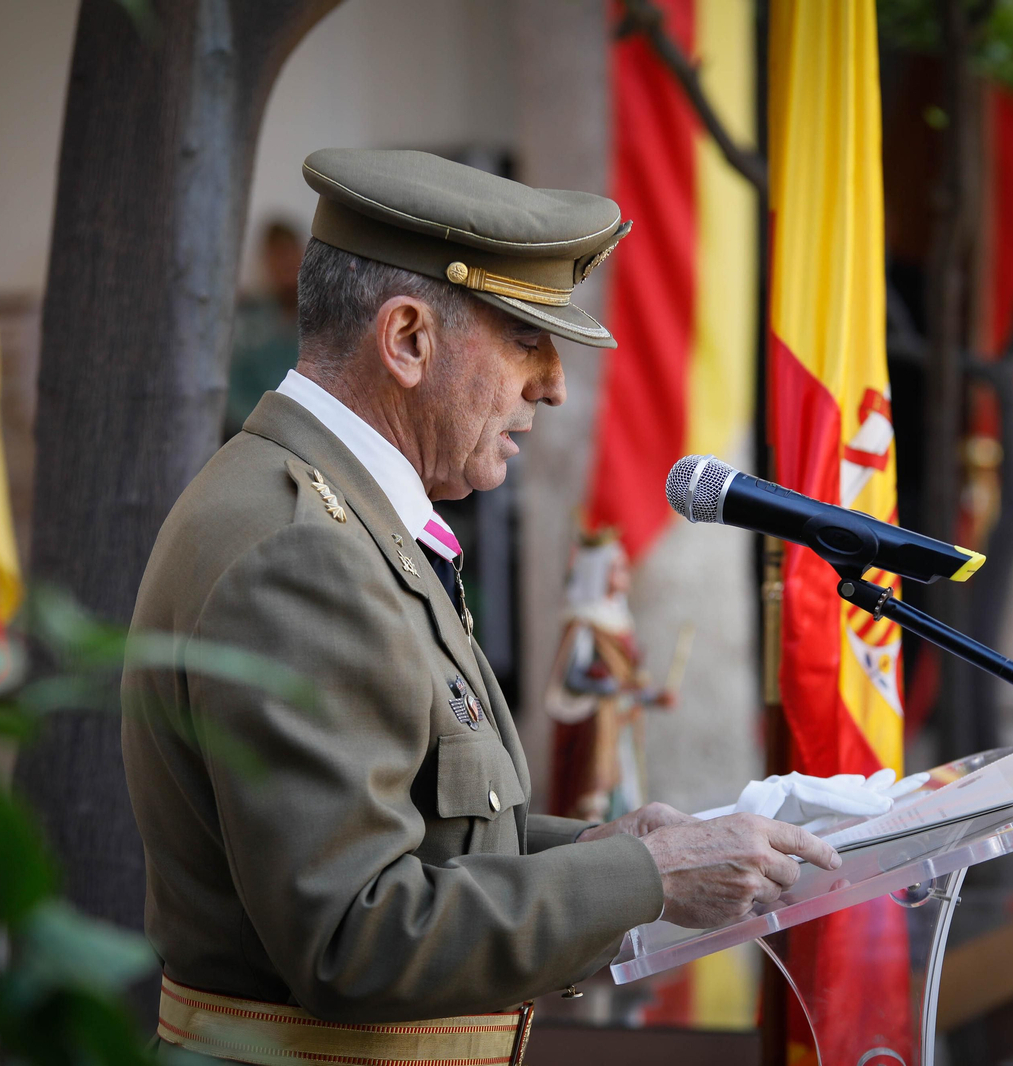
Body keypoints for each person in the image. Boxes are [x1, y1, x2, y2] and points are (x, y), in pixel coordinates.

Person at [121, 149, 839, 1064]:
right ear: (408, 340)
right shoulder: (304, 550)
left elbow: (414, 827)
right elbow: (354, 937)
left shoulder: (331, 510)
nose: (553, 383)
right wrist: (643, 878)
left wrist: (602, 849)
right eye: (524, 339)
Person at [545, 529, 676, 822]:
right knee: (596, 799)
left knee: (626, 790)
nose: (625, 574)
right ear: (598, 571)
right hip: (596, 727)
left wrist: (653, 696)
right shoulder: (584, 622)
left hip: (622, 725)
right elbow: (571, 678)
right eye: (617, 567)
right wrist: (609, 685)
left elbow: (629, 682)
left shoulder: (619, 619)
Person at [224, 219, 306, 438]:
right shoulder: (249, 321)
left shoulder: (321, 319)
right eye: (278, 256)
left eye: (290, 254)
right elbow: (234, 396)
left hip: (308, 433)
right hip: (255, 434)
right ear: (266, 262)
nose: (286, 265)